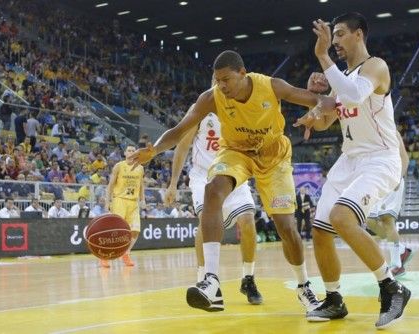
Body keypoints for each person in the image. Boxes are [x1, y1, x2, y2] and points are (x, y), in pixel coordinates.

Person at [128, 49, 335, 313]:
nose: (221, 85)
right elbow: (179, 131)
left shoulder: (271, 86)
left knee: (286, 227)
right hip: (236, 152)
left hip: (274, 156)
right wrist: (154, 150)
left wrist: (317, 105)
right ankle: (211, 282)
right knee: (212, 189)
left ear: (242, 73)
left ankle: (304, 286)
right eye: (217, 80)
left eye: (226, 79)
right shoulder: (211, 98)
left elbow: (326, 103)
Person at [295, 13, 411, 328]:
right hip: (349, 161)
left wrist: (321, 57)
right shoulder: (341, 79)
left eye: (340, 35)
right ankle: (334, 299)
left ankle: (392, 287)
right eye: (332, 38)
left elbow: (354, 94)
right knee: (320, 230)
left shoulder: (376, 67)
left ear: (359, 35)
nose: (334, 43)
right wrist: (313, 106)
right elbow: (322, 122)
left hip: (380, 159)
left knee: (341, 217)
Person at [164, 100, 262, 305]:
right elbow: (182, 148)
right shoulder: (199, 110)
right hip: (204, 176)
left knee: (248, 220)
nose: (221, 86)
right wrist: (173, 183)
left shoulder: (242, 111)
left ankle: (248, 278)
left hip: (233, 173)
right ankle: (203, 279)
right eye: (217, 81)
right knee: (205, 222)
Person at [366, 131, 413, 277]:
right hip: (375, 180)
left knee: (387, 220)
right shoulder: (367, 131)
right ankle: (401, 250)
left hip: (392, 178)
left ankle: (397, 265)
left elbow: (404, 157)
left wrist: (398, 178)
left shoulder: (391, 130)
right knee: (369, 221)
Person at [104, 145, 145, 268]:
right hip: (120, 200)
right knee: (116, 231)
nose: (131, 152)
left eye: (133, 151)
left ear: (136, 154)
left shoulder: (140, 168)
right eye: (129, 150)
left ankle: (126, 253)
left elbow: (141, 185)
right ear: (125, 153)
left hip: (133, 202)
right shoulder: (119, 166)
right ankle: (105, 255)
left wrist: (143, 199)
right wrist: (107, 201)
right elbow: (110, 185)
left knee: (135, 231)